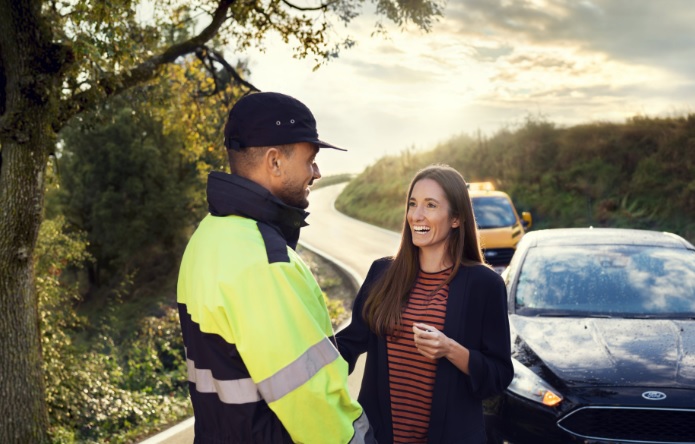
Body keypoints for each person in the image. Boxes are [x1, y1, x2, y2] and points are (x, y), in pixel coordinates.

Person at [177, 92, 375, 443]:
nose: (316, 172)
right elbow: (310, 398)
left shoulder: (205, 239)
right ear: (275, 162)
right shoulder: (264, 260)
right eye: (310, 159)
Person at [336, 164, 513, 444]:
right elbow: (345, 347)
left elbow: (499, 375)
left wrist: (450, 349)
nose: (416, 215)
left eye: (430, 205)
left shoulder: (484, 284)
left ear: (455, 218)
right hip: (380, 437)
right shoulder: (382, 274)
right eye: (413, 204)